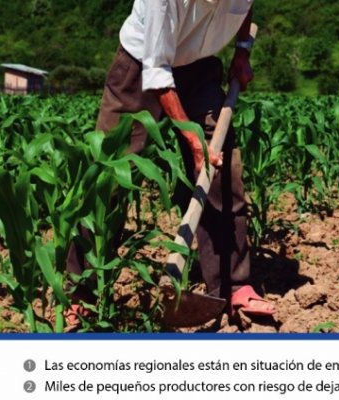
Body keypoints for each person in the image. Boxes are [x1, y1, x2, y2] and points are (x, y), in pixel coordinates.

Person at [66, 0, 274, 326]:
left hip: (200, 64)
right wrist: (193, 141)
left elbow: (245, 8)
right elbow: (157, 73)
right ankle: (80, 291)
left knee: (221, 169)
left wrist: (243, 50)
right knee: (110, 176)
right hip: (142, 66)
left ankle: (232, 284)